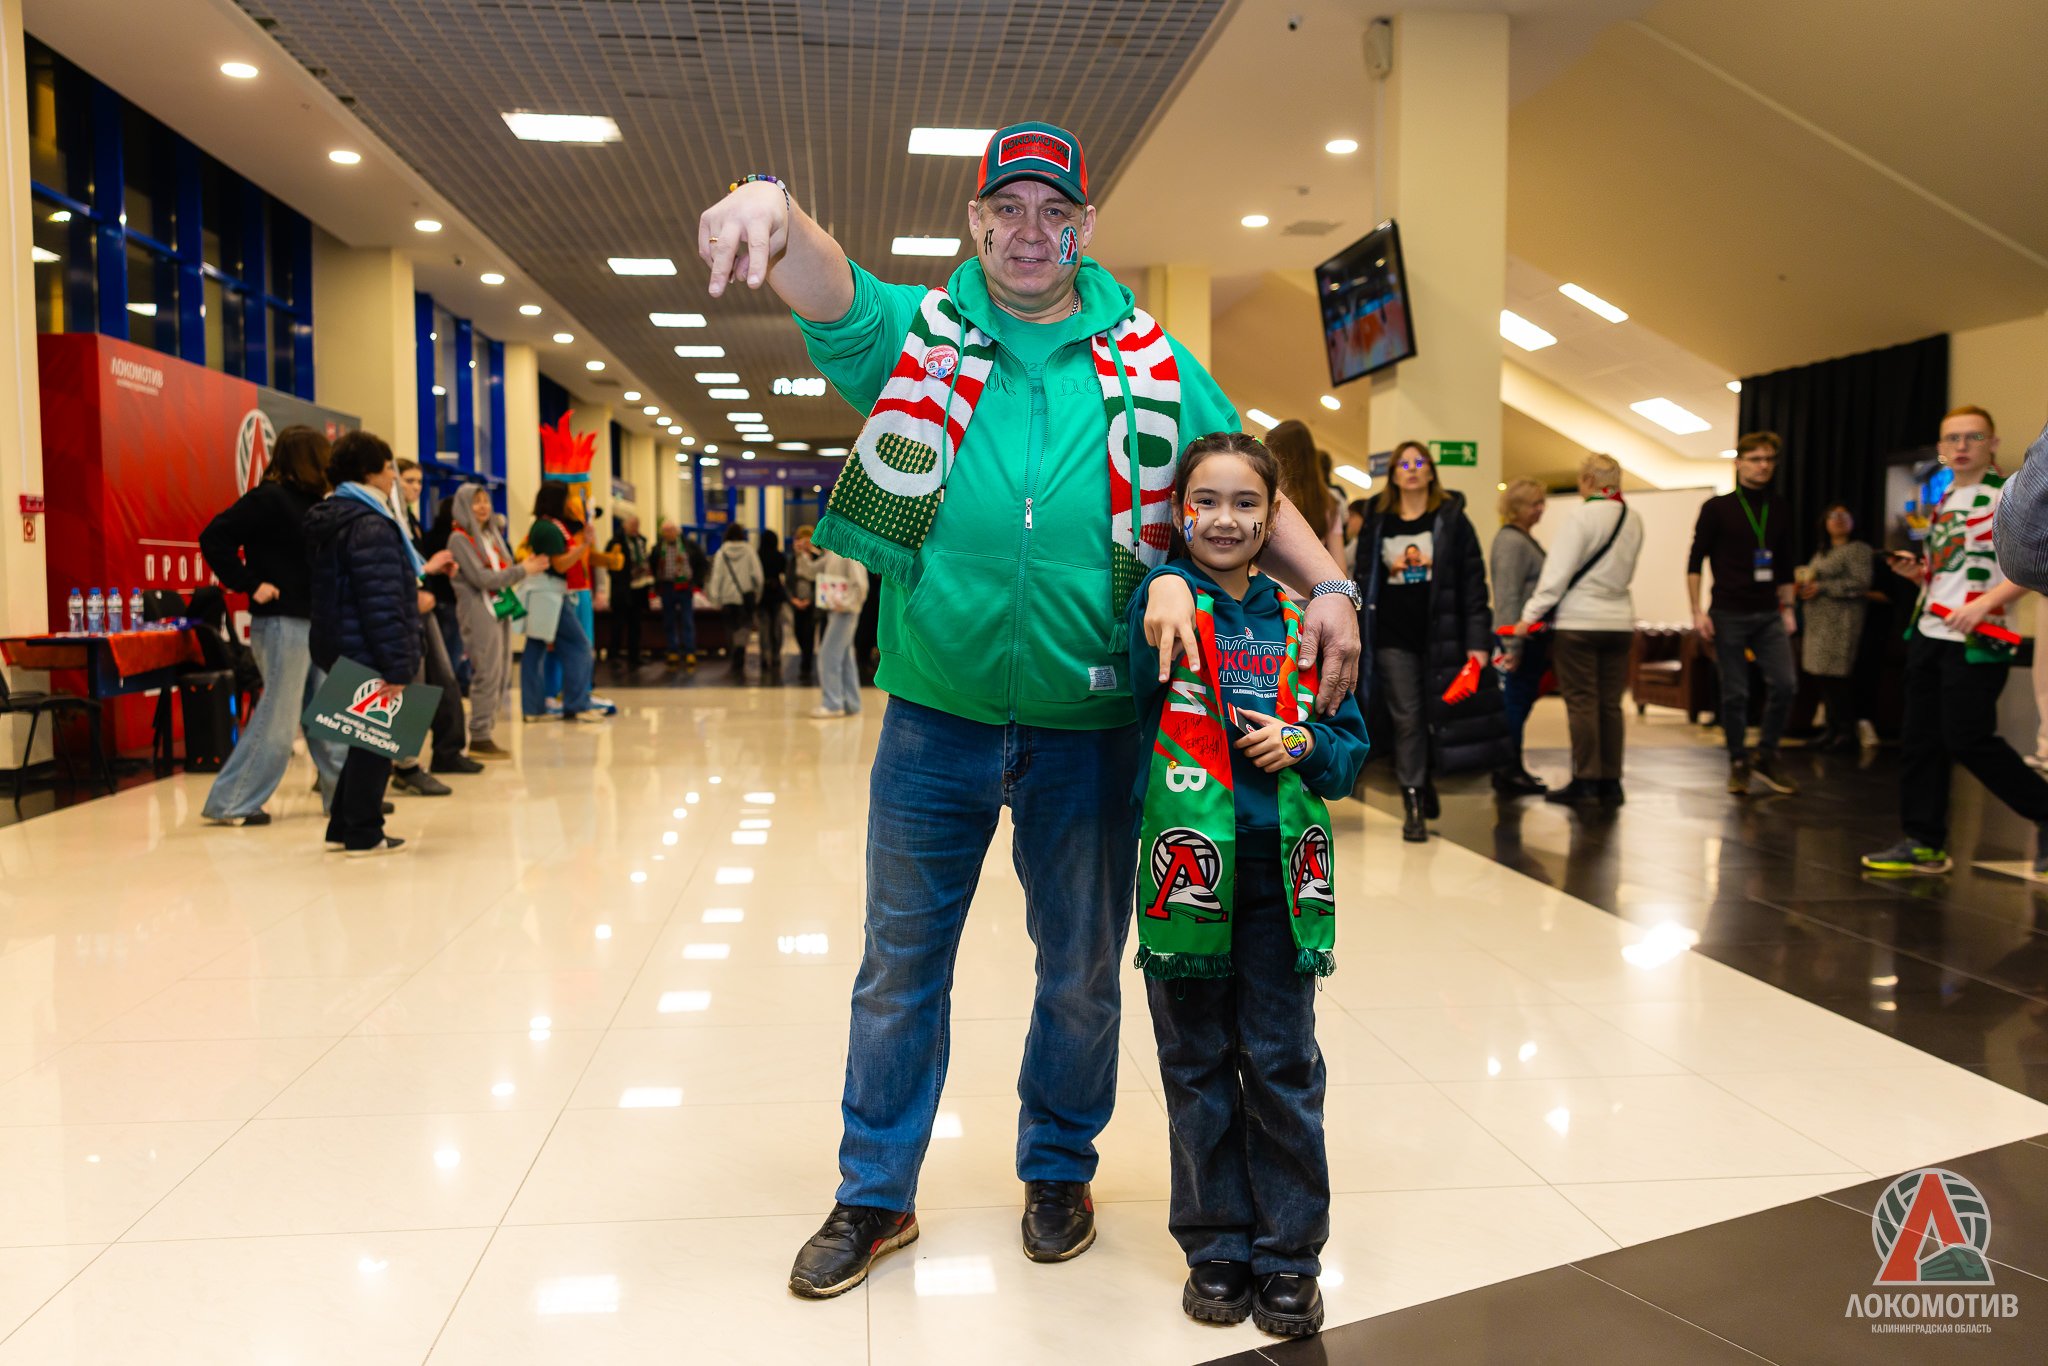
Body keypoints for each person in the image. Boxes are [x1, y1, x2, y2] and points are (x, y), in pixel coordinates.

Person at [697, 120, 1357, 1298]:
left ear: (1086, 226)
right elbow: (824, 282)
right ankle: (874, 1191)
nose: (1029, 231)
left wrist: (1335, 587)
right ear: (975, 220)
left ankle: (1058, 1168)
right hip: (933, 717)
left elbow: (1241, 476)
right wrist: (770, 202)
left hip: (1090, 727)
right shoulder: (918, 333)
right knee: (898, 967)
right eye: (1007, 208)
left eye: (1055, 211)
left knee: (1081, 972)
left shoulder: (1151, 359)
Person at [1125, 432, 1367, 1339]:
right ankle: (1217, 1245)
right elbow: (1130, 689)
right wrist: (1162, 582)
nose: (1224, 519)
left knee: (1280, 1062)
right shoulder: (1159, 607)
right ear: (1178, 511)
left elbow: (1347, 750)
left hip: (1278, 877)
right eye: (1206, 501)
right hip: (1186, 877)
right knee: (1194, 1064)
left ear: (1274, 516)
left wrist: (1302, 742)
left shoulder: (1306, 621)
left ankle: (1290, 1253)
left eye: (1246, 503)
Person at [1864, 405, 2048, 875]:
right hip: (1930, 630)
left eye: (1973, 437)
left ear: (1993, 444)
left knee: (1968, 738)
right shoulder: (1944, 499)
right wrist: (1918, 574)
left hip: (1980, 637)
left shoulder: (2007, 495)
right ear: (1941, 449)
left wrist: (1985, 604)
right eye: (1952, 439)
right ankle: (1923, 841)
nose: (1962, 446)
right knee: (1919, 740)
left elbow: (2032, 566)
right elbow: (1949, 570)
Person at [1353, 440, 1503, 842]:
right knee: (1408, 718)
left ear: (1431, 471)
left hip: (1443, 637)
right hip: (1392, 637)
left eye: (1419, 462)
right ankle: (1413, 802)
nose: (1412, 469)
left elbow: (1474, 584)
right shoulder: (1378, 519)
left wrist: (1478, 643)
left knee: (1439, 716)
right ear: (1393, 474)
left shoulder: (1451, 520)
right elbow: (1363, 579)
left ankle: (1424, 778)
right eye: (1403, 464)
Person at [197, 425, 345, 825]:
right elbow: (214, 537)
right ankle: (232, 802)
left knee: (330, 716)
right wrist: (250, 583)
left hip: (313, 621)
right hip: (283, 623)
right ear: (310, 458)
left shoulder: (314, 503)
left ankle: (345, 799)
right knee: (278, 719)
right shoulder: (270, 498)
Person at [304, 431, 440, 856]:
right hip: (367, 642)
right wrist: (397, 664)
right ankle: (364, 832)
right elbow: (380, 601)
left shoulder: (338, 515)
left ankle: (343, 826)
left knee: (365, 737)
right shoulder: (370, 524)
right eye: (387, 469)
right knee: (377, 742)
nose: (393, 478)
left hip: (341, 638)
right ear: (368, 472)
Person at [1511, 454, 1644, 806]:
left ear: (1587, 481)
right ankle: (1611, 781)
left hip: (1579, 622)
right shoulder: (1632, 518)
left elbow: (1555, 576)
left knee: (1583, 702)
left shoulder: (1581, 517)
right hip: (1619, 623)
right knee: (1610, 704)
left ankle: (1586, 779)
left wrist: (1529, 616)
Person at [1687, 431, 1800, 797]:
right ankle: (1738, 760)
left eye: (1769, 459)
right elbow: (1695, 561)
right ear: (1739, 464)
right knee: (1735, 692)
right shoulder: (1717, 508)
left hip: (1768, 612)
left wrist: (1788, 608)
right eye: (1755, 459)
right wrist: (1696, 611)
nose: (1763, 466)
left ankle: (1766, 754)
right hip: (1728, 612)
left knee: (1785, 684)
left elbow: (1785, 565)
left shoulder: (1779, 508)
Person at [449, 483, 546, 758]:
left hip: (499, 607)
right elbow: (480, 578)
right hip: (478, 611)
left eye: (486, 501)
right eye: (476, 502)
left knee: (502, 672)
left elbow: (503, 567)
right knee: (487, 673)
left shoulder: (491, 535)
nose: (483, 507)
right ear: (463, 506)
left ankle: (486, 732)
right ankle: (479, 736)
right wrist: (522, 570)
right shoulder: (459, 539)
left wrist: (521, 568)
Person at [389, 460, 469, 792]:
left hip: (421, 606)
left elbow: (413, 565)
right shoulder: (384, 518)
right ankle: (403, 764)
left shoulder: (410, 521)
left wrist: (430, 576)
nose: (416, 487)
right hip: (401, 610)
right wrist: (423, 577)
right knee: (411, 687)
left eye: (419, 482)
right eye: (408, 480)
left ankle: (441, 753)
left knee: (443, 681)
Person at [519, 482, 603, 724]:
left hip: (549, 595)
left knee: (537, 648)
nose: (569, 504)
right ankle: (576, 704)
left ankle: (534, 708)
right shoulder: (547, 529)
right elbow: (560, 564)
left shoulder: (549, 526)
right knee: (579, 646)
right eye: (566, 498)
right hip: (549, 596)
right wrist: (584, 546)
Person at [1488, 477, 1550, 797]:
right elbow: (1508, 595)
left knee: (1519, 704)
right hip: (1518, 639)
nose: (1541, 509)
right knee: (1513, 704)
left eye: (1542, 503)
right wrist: (1512, 645)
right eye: (1534, 504)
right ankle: (1508, 769)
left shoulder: (1522, 539)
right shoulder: (1512, 542)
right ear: (1516, 507)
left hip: (1528, 639)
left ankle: (1512, 766)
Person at [1798, 503, 1876, 751]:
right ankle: (1831, 729)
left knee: (1837, 677)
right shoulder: (1823, 551)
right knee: (1822, 676)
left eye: (1844, 515)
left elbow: (1861, 583)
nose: (1838, 520)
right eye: (1833, 516)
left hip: (1842, 621)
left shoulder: (1858, 549)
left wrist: (1822, 588)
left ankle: (1846, 732)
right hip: (1818, 621)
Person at [1268, 420, 1346, 570]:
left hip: (1270, 582)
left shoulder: (1271, 497)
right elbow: (1340, 565)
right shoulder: (1328, 503)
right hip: (1313, 582)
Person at [810, 540, 870, 718]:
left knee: (828, 655)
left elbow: (861, 585)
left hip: (846, 612)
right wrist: (804, 554)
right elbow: (811, 571)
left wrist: (846, 604)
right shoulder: (833, 553)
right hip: (838, 610)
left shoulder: (849, 552)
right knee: (844, 657)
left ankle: (832, 703)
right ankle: (852, 703)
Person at [703, 523, 764, 678]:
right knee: (744, 625)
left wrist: (715, 598)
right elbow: (758, 575)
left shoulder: (721, 552)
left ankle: (734, 650)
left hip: (727, 598)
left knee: (731, 626)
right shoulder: (749, 551)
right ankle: (740, 648)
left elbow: (717, 577)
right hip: (745, 596)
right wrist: (757, 593)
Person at [605, 513, 652, 668]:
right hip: (622, 590)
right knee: (618, 624)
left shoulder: (641, 541)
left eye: (637, 525)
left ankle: (634, 655)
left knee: (636, 624)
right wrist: (621, 580)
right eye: (632, 525)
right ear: (624, 525)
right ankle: (614, 655)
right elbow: (610, 564)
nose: (635, 528)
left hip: (639, 589)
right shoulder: (616, 542)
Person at [653, 520, 698, 666]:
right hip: (667, 586)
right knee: (669, 620)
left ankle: (689, 651)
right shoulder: (659, 548)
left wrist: (697, 582)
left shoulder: (688, 545)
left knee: (687, 620)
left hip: (684, 586)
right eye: (665, 531)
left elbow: (700, 562)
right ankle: (672, 650)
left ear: (677, 532)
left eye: (670, 531)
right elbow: (653, 564)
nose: (668, 534)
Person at [788, 523, 822, 685]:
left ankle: (806, 665)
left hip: (812, 603)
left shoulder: (817, 558)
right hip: (797, 601)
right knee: (798, 632)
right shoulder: (794, 559)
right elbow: (789, 580)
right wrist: (793, 599)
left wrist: (811, 599)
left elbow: (820, 580)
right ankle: (804, 657)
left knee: (809, 634)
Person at [756, 528, 790, 681]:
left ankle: (765, 654)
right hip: (776, 594)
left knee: (764, 626)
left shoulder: (757, 555)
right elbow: (785, 572)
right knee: (776, 625)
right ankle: (776, 654)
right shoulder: (779, 556)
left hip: (762, 595)